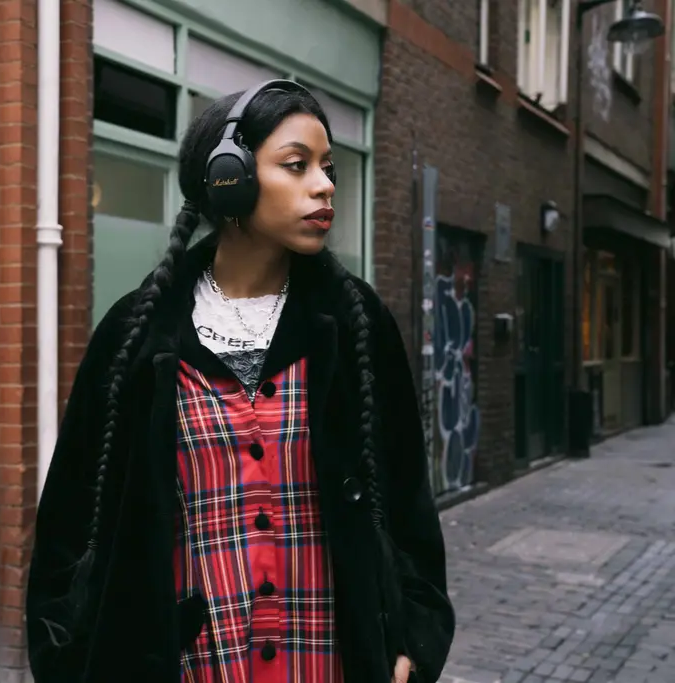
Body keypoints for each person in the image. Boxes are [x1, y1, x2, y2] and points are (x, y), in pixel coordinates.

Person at [26, 81, 455, 683]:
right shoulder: (136, 334)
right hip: (194, 663)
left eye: (327, 167)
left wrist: (415, 637)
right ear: (229, 177)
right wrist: (66, 660)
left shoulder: (355, 323)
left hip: (330, 660)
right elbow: (70, 522)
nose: (325, 185)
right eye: (297, 165)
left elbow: (408, 501)